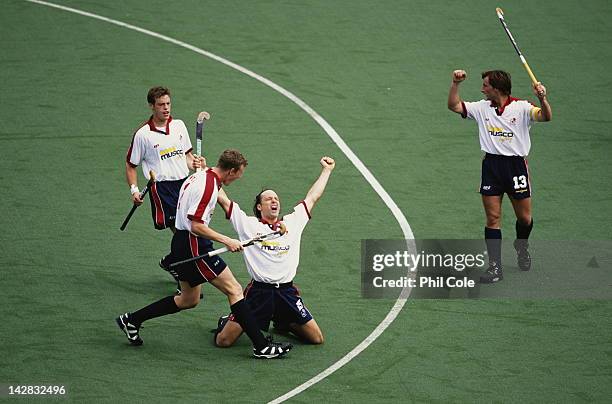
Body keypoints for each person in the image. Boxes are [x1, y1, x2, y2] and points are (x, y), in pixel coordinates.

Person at [116, 149, 293, 359]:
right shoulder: (208, 185)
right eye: (239, 174)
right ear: (232, 171)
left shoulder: (202, 176)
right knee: (235, 289)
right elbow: (195, 225)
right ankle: (261, 346)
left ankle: (132, 320)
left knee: (188, 299)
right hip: (194, 243)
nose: (239, 178)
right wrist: (227, 240)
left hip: (181, 243)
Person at [213, 156, 335, 347]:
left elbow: (313, 197)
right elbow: (224, 200)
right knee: (223, 341)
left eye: (276, 198)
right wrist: (206, 172)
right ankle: (229, 321)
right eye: (268, 198)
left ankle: (283, 322)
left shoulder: (293, 222)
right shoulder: (249, 225)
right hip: (259, 292)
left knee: (316, 338)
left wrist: (327, 170)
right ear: (260, 207)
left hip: (286, 292)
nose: (274, 200)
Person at [447, 69, 552, 283]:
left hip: (516, 167)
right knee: (493, 218)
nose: (482, 89)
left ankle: (521, 246)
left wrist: (542, 98)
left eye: (485, 85)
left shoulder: (522, 107)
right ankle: (495, 267)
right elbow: (454, 105)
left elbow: (545, 116)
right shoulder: (481, 108)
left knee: (524, 218)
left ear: (497, 88)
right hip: (492, 167)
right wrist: (456, 84)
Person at [125, 86, 204, 290]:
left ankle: (171, 262)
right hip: (162, 189)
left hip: (184, 185)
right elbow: (131, 165)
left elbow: (186, 156)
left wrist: (195, 163)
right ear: (152, 106)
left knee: (190, 232)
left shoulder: (179, 126)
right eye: (161, 105)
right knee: (181, 232)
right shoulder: (143, 135)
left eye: (168, 104)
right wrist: (134, 190)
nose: (166, 108)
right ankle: (183, 278)